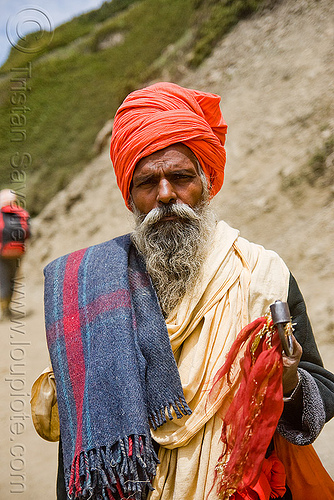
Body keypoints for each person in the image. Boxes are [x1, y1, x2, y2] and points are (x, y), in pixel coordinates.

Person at [44, 83, 334, 500]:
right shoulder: (92, 288)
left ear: (206, 183)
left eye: (180, 177)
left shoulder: (260, 274)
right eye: (148, 183)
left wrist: (287, 380)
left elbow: (322, 390)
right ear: (130, 197)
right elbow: (85, 441)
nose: (165, 195)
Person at [0, 189, 30, 320]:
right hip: (18, 251)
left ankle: (3, 309)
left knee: (2, 279)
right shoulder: (21, 213)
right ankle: (7, 308)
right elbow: (28, 233)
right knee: (12, 279)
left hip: (2, 251)